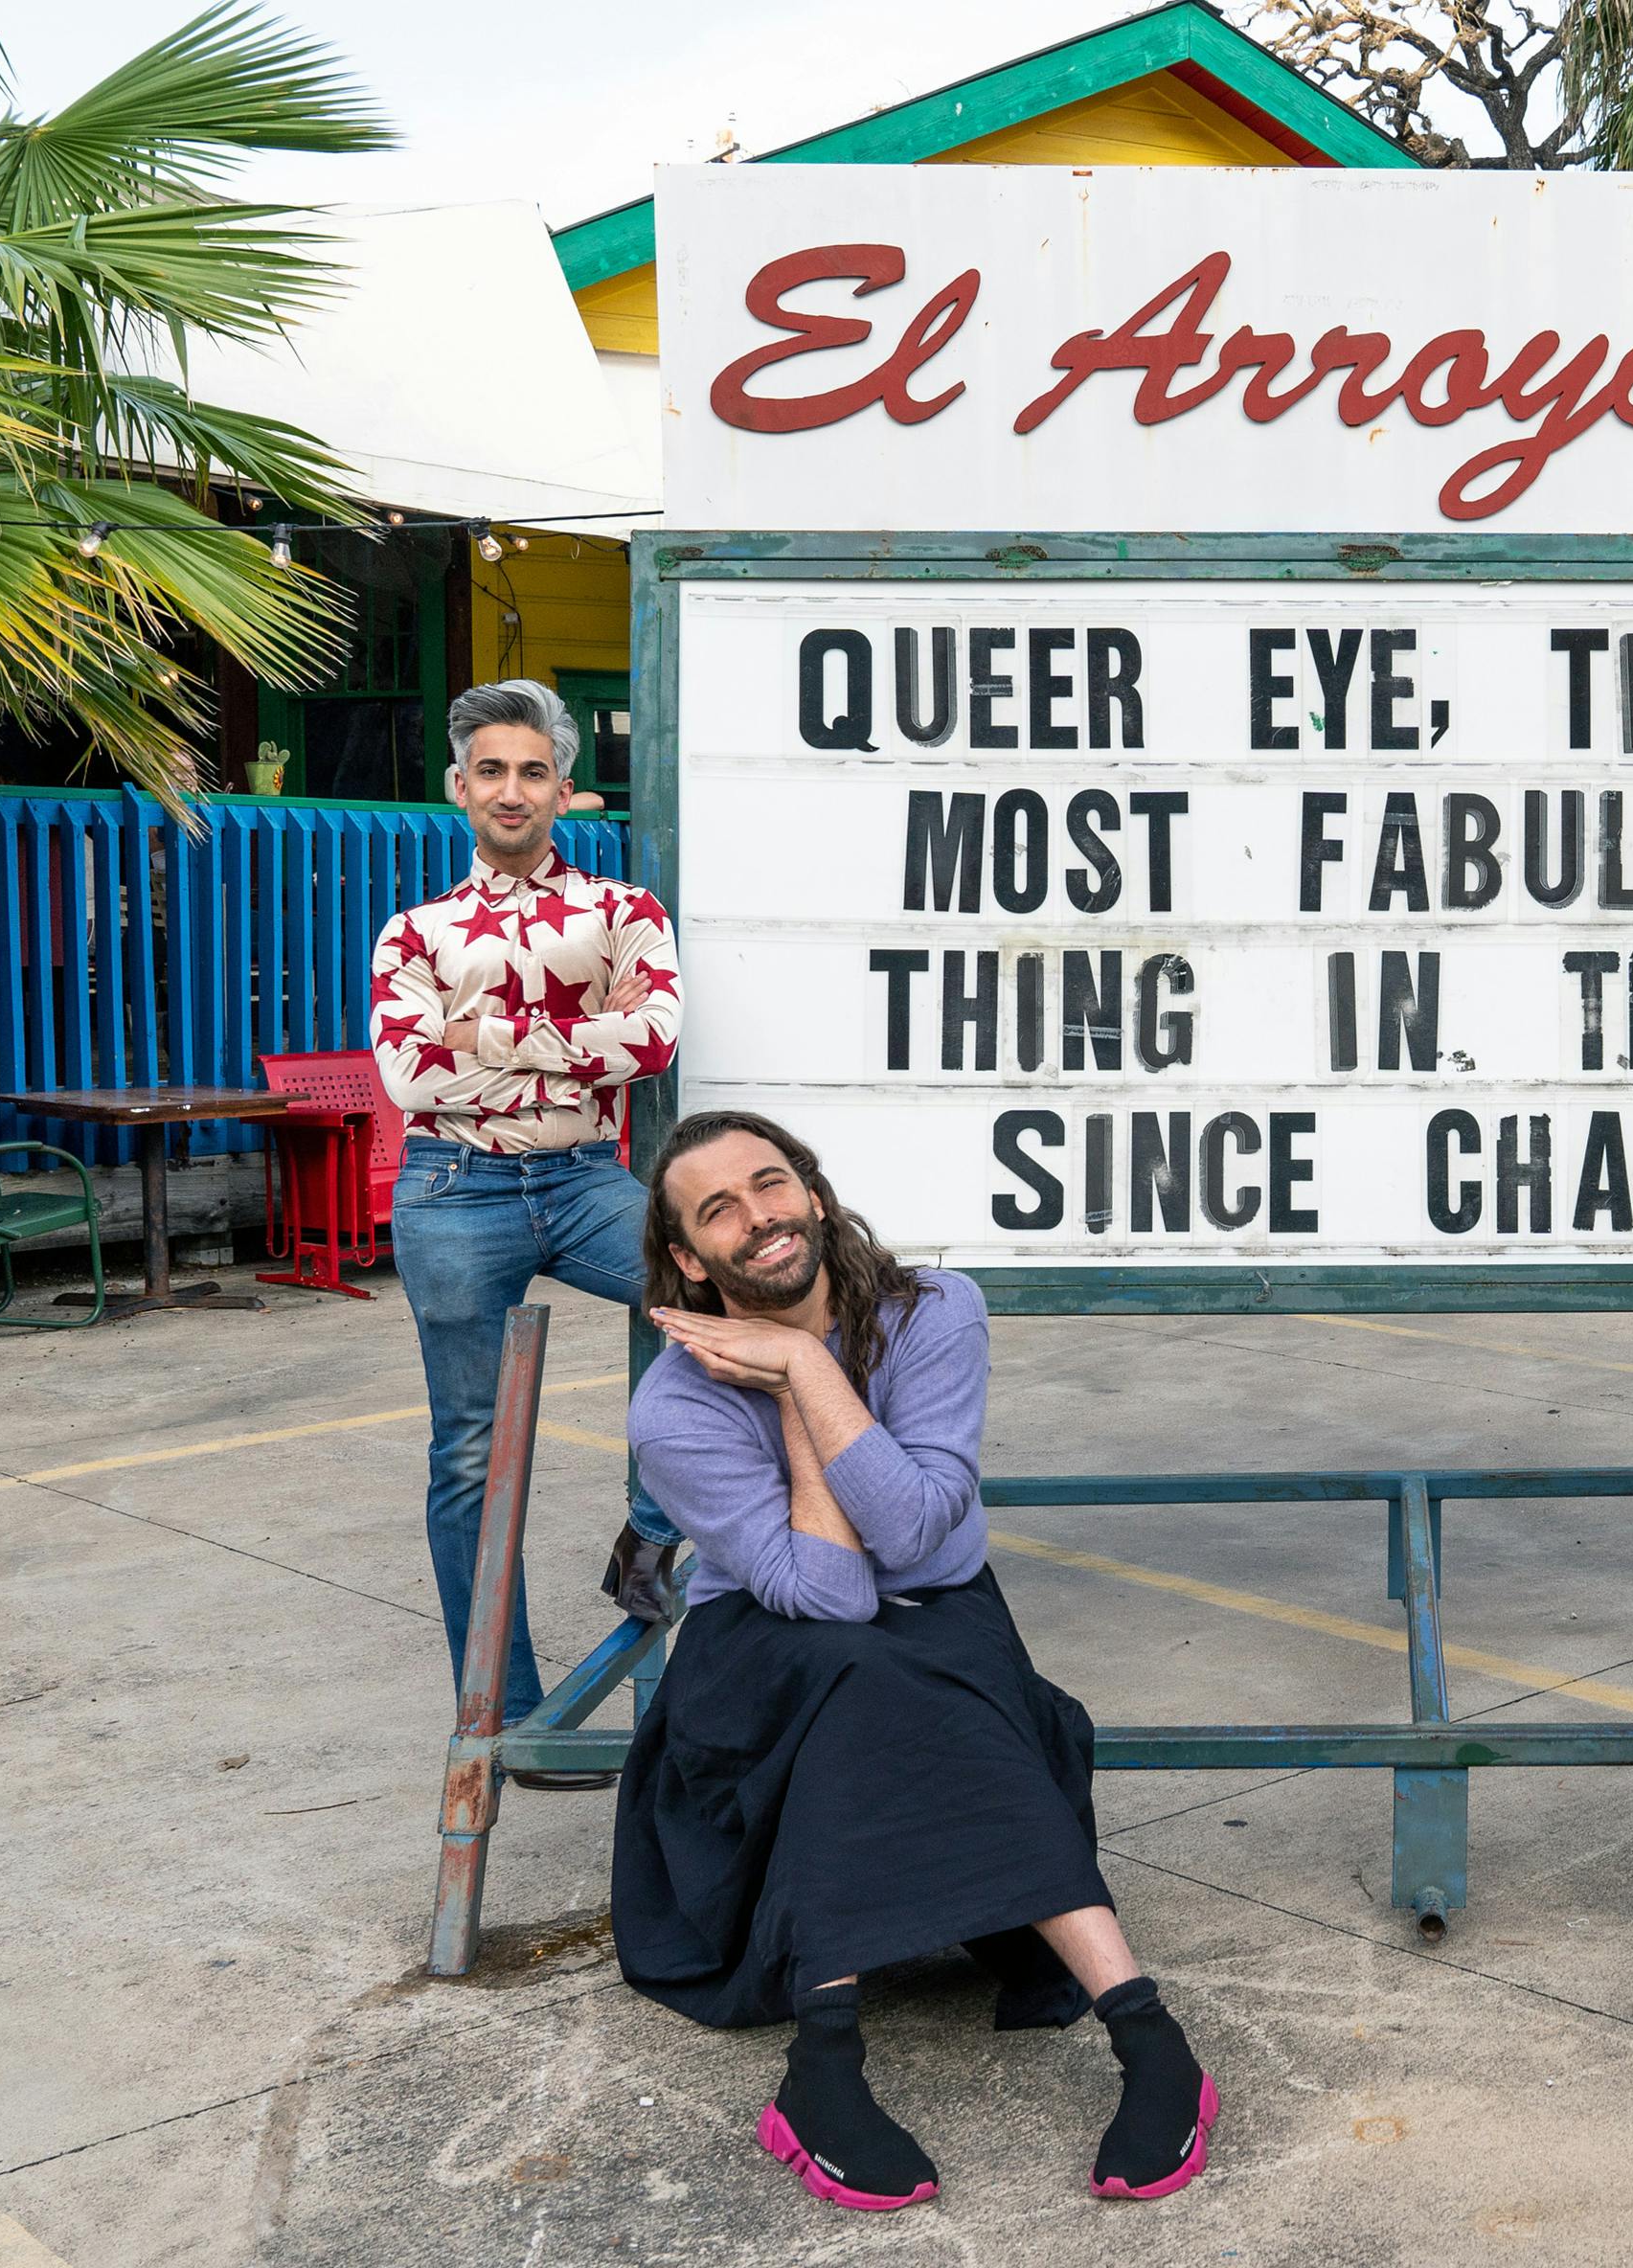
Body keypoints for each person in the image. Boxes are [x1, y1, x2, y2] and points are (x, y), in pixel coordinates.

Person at [615, 1111, 1216, 2211]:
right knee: (863, 1672)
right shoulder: (674, 1406)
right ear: (691, 1263)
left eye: (771, 1183)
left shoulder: (935, 1312)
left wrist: (801, 1363)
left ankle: (1146, 2043)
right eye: (719, 1212)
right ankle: (832, 2062)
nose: (759, 1218)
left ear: (816, 1193)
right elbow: (836, 1595)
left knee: (917, 1667)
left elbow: (920, 1531)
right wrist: (804, 1385)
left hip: (938, 1612)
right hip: (767, 1651)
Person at [372, 680, 688, 1787]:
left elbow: (650, 1041)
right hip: (452, 1189)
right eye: (491, 771)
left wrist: (488, 1031)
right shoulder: (413, 931)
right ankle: (511, 1718)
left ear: (565, 787)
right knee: (468, 1450)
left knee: (718, 1290)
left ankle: (649, 1530)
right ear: (462, 789)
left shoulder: (622, 911)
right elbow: (412, 1072)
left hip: (589, 1176)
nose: (513, 790)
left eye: (533, 770)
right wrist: (565, 1036)